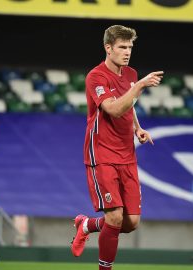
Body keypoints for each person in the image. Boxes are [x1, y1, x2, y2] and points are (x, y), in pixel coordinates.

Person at [70, 25, 163, 269]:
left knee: (131, 222)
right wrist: (140, 86)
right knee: (114, 216)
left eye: (130, 47)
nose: (127, 51)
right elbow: (112, 108)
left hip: (127, 154)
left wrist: (137, 128)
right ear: (108, 48)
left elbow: (128, 106)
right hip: (101, 153)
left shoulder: (131, 74)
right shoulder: (96, 76)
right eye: (122, 47)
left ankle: (88, 225)